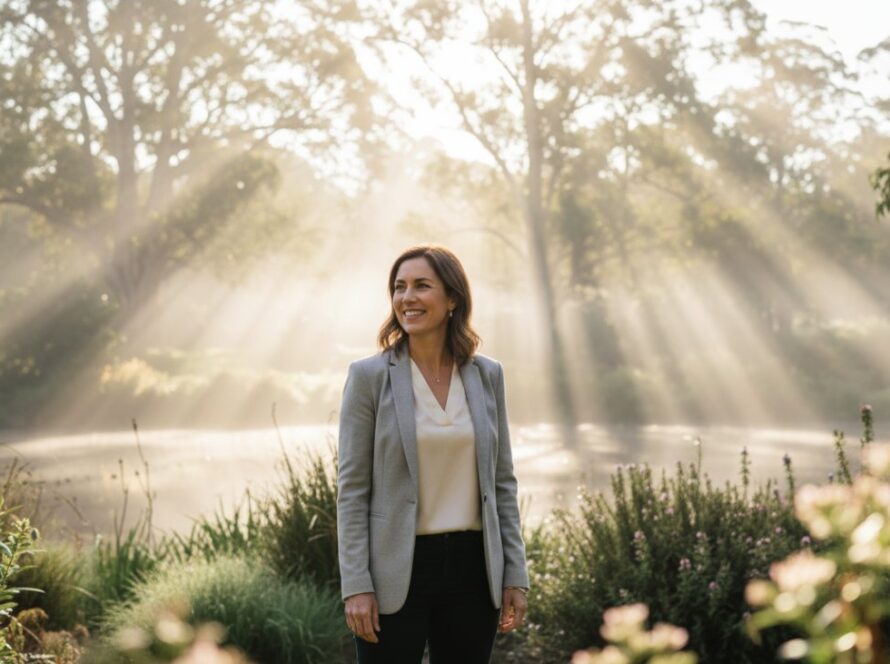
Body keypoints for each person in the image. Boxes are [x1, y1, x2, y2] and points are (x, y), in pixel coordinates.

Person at [337, 244, 530, 663]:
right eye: (399, 287)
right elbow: (352, 492)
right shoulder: (368, 377)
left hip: (474, 570)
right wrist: (356, 584)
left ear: (453, 299)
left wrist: (515, 572)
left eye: (422, 286)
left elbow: (501, 482)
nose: (407, 297)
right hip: (394, 568)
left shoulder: (487, 375)